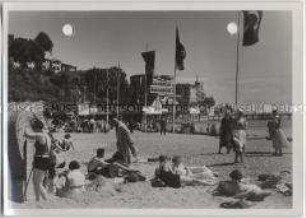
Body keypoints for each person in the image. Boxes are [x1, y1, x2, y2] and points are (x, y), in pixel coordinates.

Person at [24, 118, 53, 201]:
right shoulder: (46, 135)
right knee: (35, 182)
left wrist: (25, 125)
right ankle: (38, 199)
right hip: (43, 159)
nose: (33, 129)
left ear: (36, 128)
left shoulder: (40, 135)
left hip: (41, 159)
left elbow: (27, 134)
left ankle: (46, 199)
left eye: (33, 127)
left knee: (38, 183)